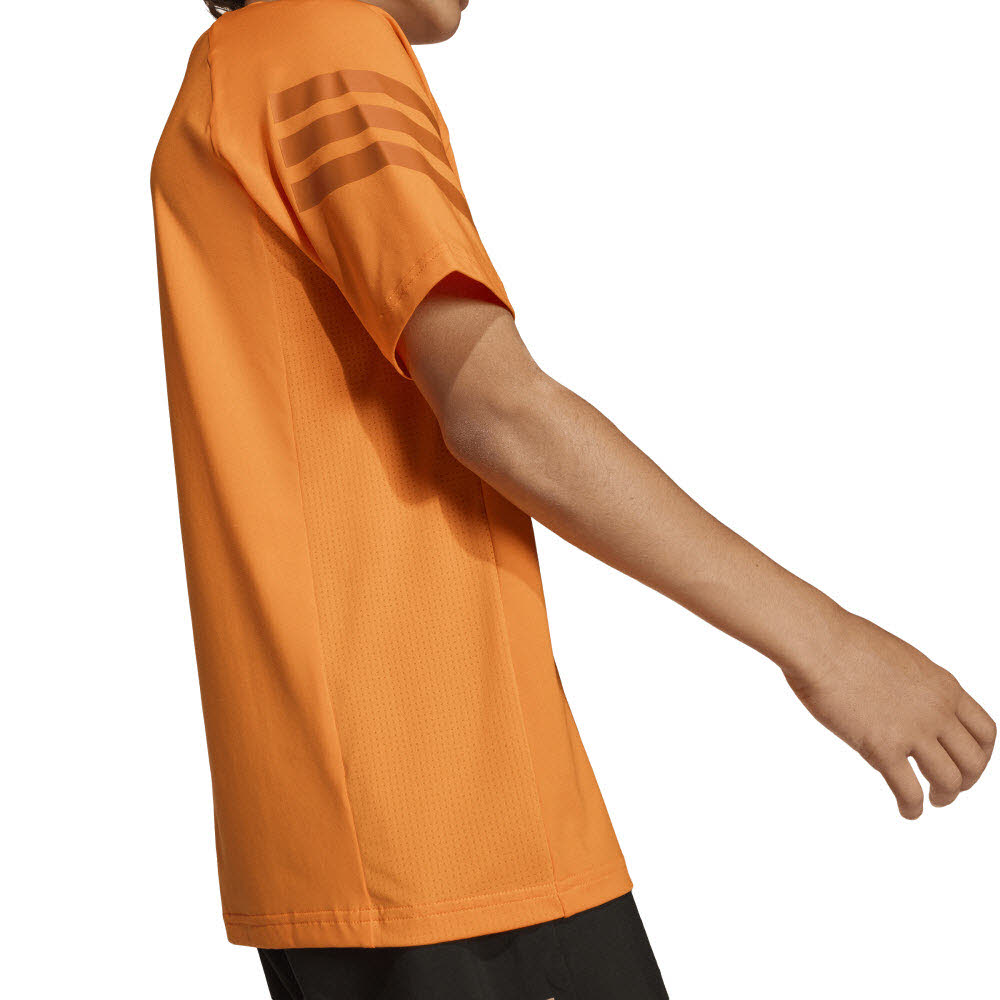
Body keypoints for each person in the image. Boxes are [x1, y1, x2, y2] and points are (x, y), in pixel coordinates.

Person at [149, 0, 995, 997]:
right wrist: (828, 643)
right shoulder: (317, 45)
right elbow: (496, 408)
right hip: (445, 835)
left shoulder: (232, 73)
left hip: (355, 842)